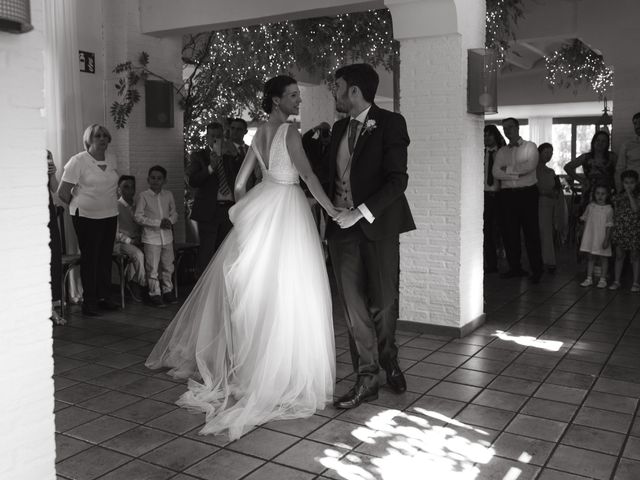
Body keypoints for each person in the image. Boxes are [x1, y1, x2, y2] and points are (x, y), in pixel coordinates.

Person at [146, 75, 339, 439]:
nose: (299, 101)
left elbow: (238, 186)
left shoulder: (257, 136)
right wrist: (331, 210)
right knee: (290, 292)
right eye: (294, 96)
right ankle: (282, 375)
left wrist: (248, 216)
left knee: (256, 294)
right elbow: (309, 175)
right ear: (277, 100)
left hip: (264, 207)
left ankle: (251, 370)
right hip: (287, 210)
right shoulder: (291, 134)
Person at [325, 63, 415, 409]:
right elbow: (325, 176)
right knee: (353, 308)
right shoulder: (335, 130)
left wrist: (360, 212)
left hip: (378, 227)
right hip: (340, 233)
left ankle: (387, 358)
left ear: (354, 91)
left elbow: (398, 180)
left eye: (337, 86)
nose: (334, 92)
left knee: (383, 303)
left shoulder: (391, 123)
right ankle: (367, 377)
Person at [58, 124, 120, 316]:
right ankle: (90, 301)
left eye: (104, 136)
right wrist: (80, 204)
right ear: (89, 140)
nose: (102, 139)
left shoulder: (112, 159)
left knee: (104, 257)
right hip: (85, 216)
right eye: (97, 136)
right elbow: (62, 192)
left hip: (110, 214)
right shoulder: (78, 161)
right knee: (91, 258)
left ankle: (105, 296)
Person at [188, 122, 246, 276]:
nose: (215, 139)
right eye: (212, 136)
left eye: (218, 136)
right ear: (206, 137)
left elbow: (240, 177)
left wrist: (235, 156)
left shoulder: (228, 155)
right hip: (208, 211)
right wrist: (210, 168)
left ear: (223, 136)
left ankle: (221, 288)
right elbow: (193, 181)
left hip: (228, 209)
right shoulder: (198, 156)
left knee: (225, 252)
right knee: (206, 253)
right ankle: (202, 292)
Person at [492, 117, 543, 283]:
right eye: (505, 128)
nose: (507, 131)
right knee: (510, 232)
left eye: (510, 127)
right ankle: (515, 268)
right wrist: (516, 172)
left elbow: (530, 167)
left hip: (527, 194)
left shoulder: (531, 147)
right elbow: (495, 173)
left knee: (531, 232)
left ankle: (537, 270)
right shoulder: (501, 152)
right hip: (507, 195)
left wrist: (507, 170)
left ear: (517, 128)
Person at [135, 166, 178, 307]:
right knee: (152, 268)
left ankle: (167, 291)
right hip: (151, 237)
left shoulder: (168, 195)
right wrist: (158, 223)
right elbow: (138, 217)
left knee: (168, 266)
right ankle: (155, 294)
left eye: (159, 178)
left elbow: (174, 213)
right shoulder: (144, 196)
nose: (155, 181)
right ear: (148, 179)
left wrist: (170, 221)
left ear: (164, 181)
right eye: (153, 178)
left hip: (167, 237)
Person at [113, 175, 146, 302]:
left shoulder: (138, 205)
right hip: (120, 242)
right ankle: (141, 284)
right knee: (137, 254)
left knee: (153, 250)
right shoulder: (115, 206)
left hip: (137, 240)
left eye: (132, 187)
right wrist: (130, 241)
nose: (130, 190)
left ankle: (136, 281)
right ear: (119, 190)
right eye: (126, 187)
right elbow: (113, 233)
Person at [564, 130, 616, 206]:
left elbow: (620, 172)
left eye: (603, 141)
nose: (600, 143)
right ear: (593, 142)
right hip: (589, 191)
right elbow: (567, 167)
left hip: (608, 192)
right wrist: (581, 180)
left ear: (607, 144)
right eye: (598, 140)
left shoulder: (612, 157)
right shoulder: (586, 157)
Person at [610, 170, 640, 292]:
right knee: (619, 256)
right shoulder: (617, 196)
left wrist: (629, 194)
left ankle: (636, 282)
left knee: (635, 256)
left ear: (636, 183)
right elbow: (615, 213)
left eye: (631, 183)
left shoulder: (637, 196)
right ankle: (617, 281)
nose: (629, 185)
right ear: (622, 183)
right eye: (626, 183)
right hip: (620, 230)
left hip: (634, 230)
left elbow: (635, 209)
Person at [578, 184, 613, 288]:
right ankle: (589, 278)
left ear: (607, 195)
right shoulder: (590, 207)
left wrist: (606, 239)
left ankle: (603, 279)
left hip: (602, 237)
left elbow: (609, 226)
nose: (600, 196)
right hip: (590, 237)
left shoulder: (608, 209)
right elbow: (585, 221)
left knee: (603, 258)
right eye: (598, 193)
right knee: (591, 257)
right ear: (594, 194)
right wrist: (583, 235)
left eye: (603, 194)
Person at [483, 125, 506, 273]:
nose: (487, 138)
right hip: (484, 195)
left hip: (501, 195)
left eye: (489, 135)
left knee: (504, 229)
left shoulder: (503, 152)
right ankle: (491, 264)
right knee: (487, 231)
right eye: (484, 135)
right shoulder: (480, 152)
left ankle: (508, 260)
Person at [537, 143, 563, 273]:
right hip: (539, 203)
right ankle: (545, 260)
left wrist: (555, 193)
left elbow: (557, 188)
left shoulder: (551, 171)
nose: (549, 155)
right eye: (546, 152)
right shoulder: (533, 170)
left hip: (550, 204)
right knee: (543, 231)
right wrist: (544, 192)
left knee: (548, 231)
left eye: (551, 152)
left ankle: (547, 260)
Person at [47, 150, 66, 325]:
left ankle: (51, 307)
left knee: (52, 258)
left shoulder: (46, 153)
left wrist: (52, 173)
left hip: (46, 211)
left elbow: (55, 188)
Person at [615, 112, 640, 192]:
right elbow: (620, 169)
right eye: (635, 123)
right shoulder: (627, 145)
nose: (637, 126)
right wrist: (619, 190)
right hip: (632, 188)